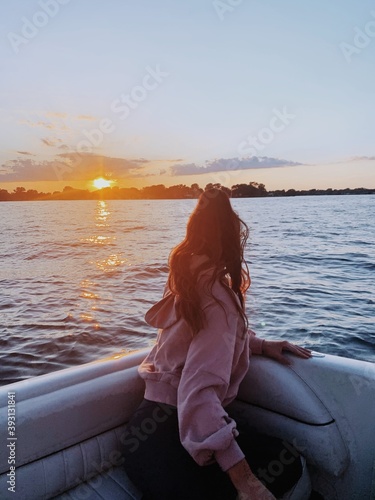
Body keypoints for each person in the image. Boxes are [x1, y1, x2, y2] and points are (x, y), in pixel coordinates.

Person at [122, 188, 312, 499]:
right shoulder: (219, 299)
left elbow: (201, 338)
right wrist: (246, 483)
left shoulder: (186, 280)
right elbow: (197, 394)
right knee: (286, 459)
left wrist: (260, 344)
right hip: (174, 443)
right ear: (231, 237)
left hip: (141, 444)